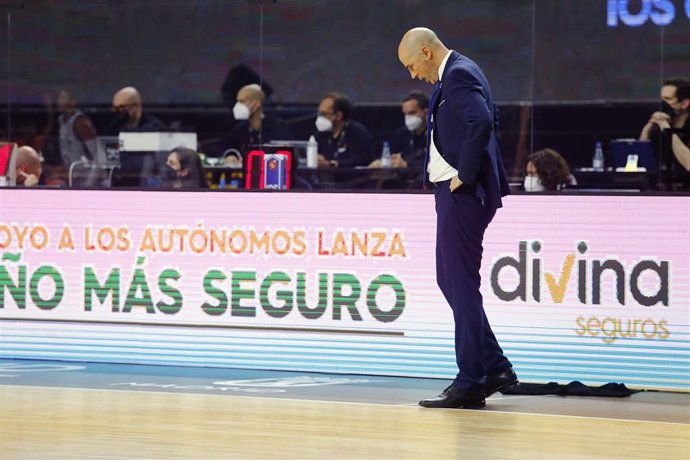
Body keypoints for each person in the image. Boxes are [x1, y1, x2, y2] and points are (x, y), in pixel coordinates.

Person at [398, 27, 516, 409]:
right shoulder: (458, 71)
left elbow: (482, 121)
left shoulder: (458, 73)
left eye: (412, 65)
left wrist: (464, 174)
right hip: (456, 193)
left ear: (427, 52)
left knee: (461, 284)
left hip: (464, 193)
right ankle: (495, 367)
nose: (413, 74)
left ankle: (470, 380)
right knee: (448, 278)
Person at [223, 84, 292, 165]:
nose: (238, 106)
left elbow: (285, 154)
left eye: (242, 101)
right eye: (237, 101)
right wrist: (230, 156)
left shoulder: (278, 126)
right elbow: (230, 149)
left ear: (256, 104)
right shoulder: (240, 129)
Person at [639, 77, 690, 173]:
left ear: (684, 103)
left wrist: (668, 130)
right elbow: (640, 160)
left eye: (667, 99)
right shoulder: (663, 122)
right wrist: (648, 129)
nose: (662, 103)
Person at [370, 91, 429, 172]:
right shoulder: (403, 134)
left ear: (426, 113)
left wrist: (407, 165)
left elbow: (434, 164)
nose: (408, 118)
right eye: (405, 114)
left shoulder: (437, 135)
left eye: (412, 113)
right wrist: (381, 163)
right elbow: (389, 155)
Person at [313, 92, 374, 168]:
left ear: (338, 115)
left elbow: (361, 160)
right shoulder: (320, 134)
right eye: (319, 113)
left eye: (324, 114)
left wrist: (332, 164)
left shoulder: (357, 133)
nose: (320, 118)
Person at [57, 88, 99, 166]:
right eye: (59, 98)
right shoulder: (60, 120)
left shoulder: (80, 122)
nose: (58, 101)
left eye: (62, 98)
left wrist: (90, 177)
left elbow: (96, 153)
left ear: (72, 101)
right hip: (68, 171)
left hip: (82, 172)